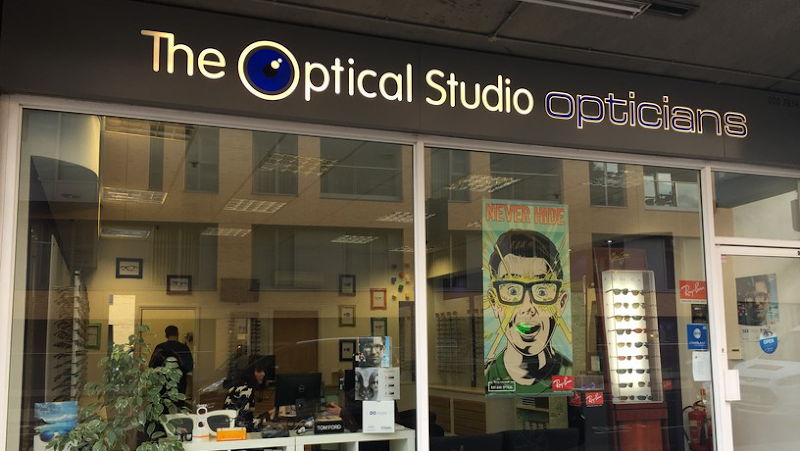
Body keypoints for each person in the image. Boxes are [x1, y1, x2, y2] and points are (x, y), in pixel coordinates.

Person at [484, 230, 572, 394]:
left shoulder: (570, 376)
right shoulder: (487, 378)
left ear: (561, 302)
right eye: (512, 291)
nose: (527, 308)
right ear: (494, 302)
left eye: (541, 291)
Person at [223, 357, 270, 431]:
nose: (263, 374)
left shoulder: (237, 387)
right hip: (235, 432)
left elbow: (246, 417)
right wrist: (268, 416)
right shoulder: (246, 390)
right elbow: (244, 422)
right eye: (259, 371)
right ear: (250, 373)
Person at [150, 325, 194, 396]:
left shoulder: (160, 348)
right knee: (178, 401)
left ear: (166, 335)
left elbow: (152, 365)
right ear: (177, 334)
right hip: (179, 384)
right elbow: (189, 366)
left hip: (162, 384)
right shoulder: (184, 348)